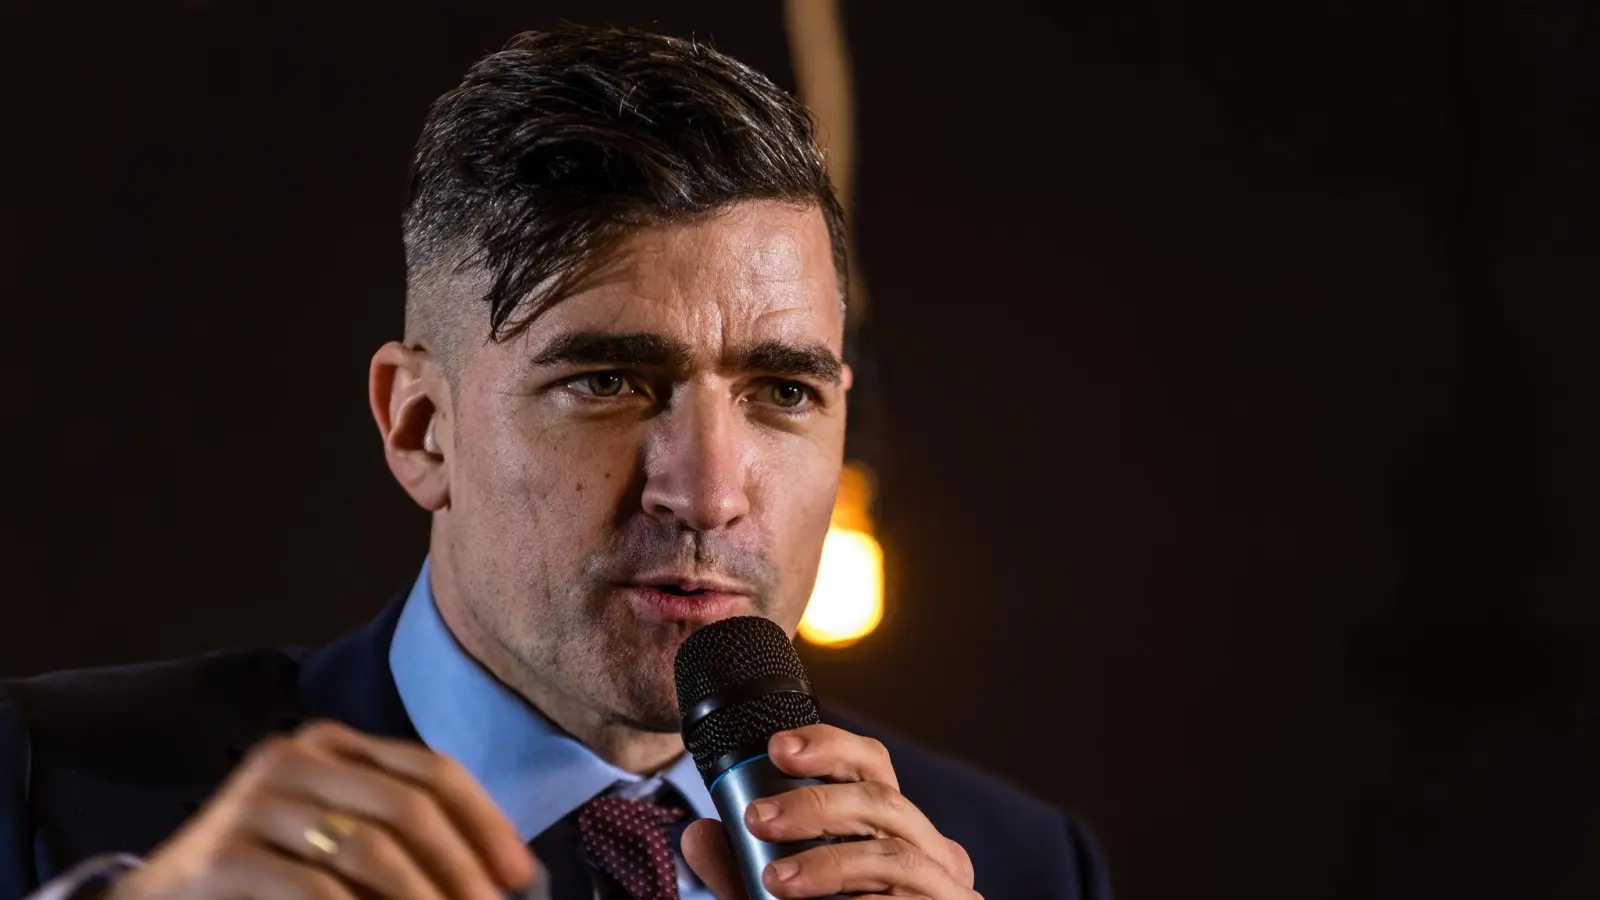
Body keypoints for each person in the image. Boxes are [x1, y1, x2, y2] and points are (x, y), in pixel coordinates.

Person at [0, 26, 1108, 900]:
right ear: (420, 427)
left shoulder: (1020, 864)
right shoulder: (44, 786)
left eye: (782, 392)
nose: (708, 493)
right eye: (608, 381)